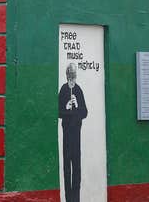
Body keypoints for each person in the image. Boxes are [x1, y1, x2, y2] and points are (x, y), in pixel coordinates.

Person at [58, 63, 87, 202]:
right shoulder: (63, 90)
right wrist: (66, 107)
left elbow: (85, 112)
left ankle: (76, 199)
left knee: (77, 168)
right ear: (66, 76)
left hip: (77, 135)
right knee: (67, 169)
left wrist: (76, 105)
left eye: (73, 77)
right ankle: (68, 198)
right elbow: (58, 112)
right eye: (70, 77)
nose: (72, 80)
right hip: (67, 135)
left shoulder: (78, 90)